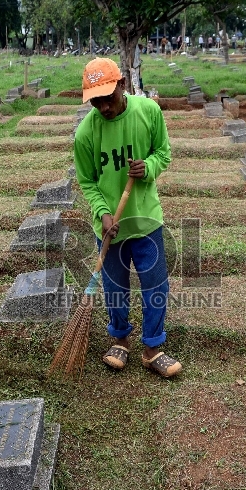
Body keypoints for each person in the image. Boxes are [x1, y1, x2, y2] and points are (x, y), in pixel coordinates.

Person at [73, 58, 181, 378]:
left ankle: (152, 348)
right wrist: (103, 213)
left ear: (121, 85)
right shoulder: (85, 134)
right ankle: (119, 339)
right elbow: (88, 182)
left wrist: (147, 168)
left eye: (108, 97)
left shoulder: (149, 112)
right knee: (115, 287)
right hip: (111, 227)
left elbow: (163, 153)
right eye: (96, 100)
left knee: (154, 285)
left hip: (145, 219)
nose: (103, 107)